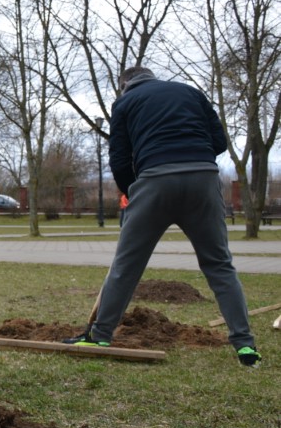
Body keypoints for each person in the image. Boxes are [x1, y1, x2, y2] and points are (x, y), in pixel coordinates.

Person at [63, 66, 262, 367]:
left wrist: (133, 190)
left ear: (125, 84)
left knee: (126, 265)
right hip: (203, 180)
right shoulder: (191, 92)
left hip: (154, 181)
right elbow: (219, 142)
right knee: (219, 264)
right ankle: (245, 345)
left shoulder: (125, 103)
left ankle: (100, 335)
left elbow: (119, 158)